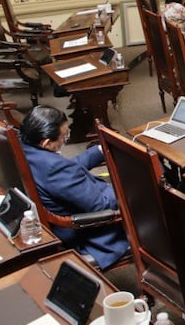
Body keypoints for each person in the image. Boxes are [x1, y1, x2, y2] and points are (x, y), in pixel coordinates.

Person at [19, 105, 129, 268]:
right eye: (64, 136)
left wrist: (98, 151)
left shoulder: (25, 147)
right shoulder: (54, 168)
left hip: (64, 212)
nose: (65, 139)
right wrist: (127, 184)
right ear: (46, 143)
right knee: (148, 190)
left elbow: (65, 172)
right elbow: (102, 205)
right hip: (86, 232)